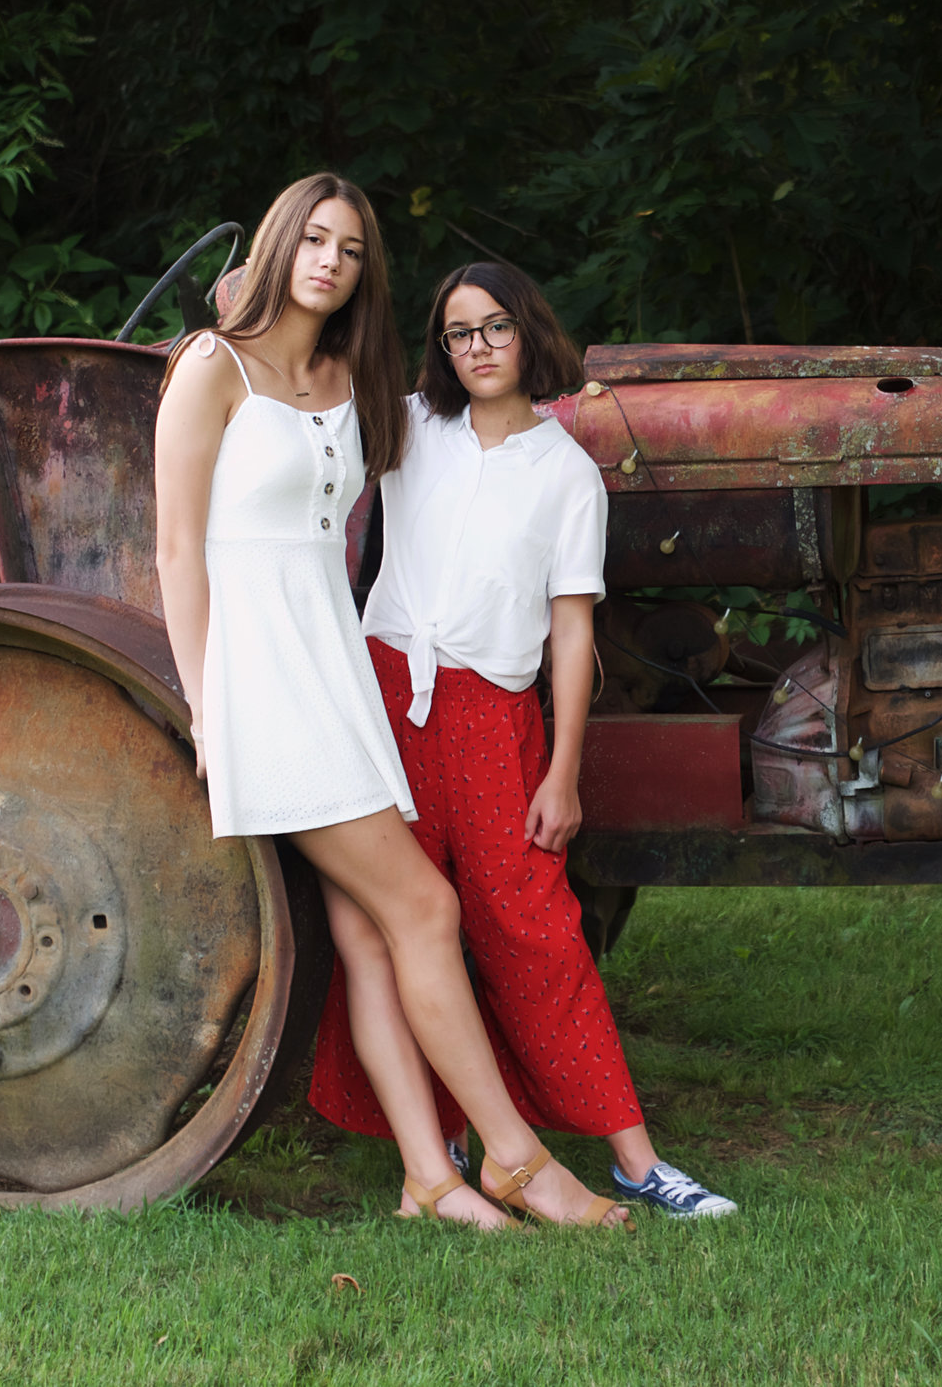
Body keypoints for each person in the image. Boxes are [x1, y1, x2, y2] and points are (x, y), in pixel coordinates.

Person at [155, 179, 624, 1231]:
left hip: (341, 664)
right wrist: (204, 709)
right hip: (263, 678)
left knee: (372, 933)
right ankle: (513, 1157)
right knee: (426, 909)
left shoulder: (346, 374)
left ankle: (427, 1175)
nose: (328, 260)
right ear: (279, 243)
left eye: (351, 249)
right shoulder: (210, 367)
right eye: (311, 239)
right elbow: (179, 549)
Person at [307, 259, 738, 1221]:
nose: (479, 349)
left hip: (495, 723)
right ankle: (440, 1152)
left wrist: (563, 770)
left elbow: (573, 632)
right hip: (385, 706)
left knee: (534, 934)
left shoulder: (568, 476)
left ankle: (636, 1162)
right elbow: (320, 368)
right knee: (398, 927)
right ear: (442, 350)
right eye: (459, 334)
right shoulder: (413, 429)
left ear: (528, 333)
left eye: (495, 328)